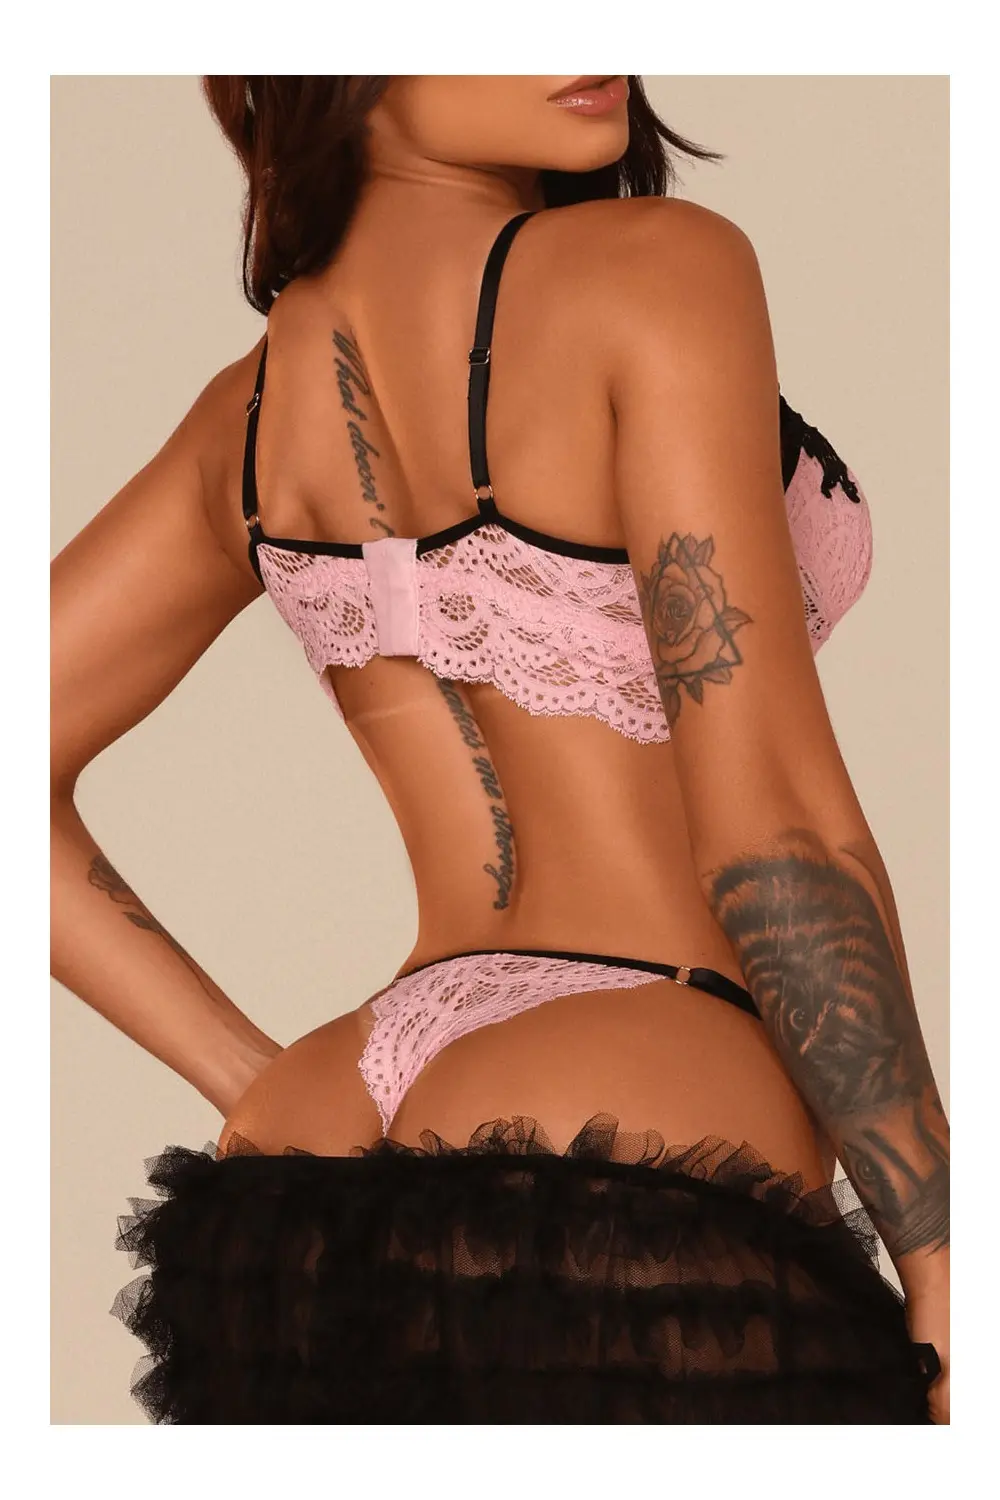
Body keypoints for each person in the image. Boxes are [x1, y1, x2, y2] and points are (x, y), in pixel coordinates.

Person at [50, 74, 949, 1424]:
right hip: (637, 1067)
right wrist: (941, 1247)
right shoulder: (658, 271)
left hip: (321, 1141)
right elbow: (776, 827)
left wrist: (260, 1094)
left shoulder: (246, 414)